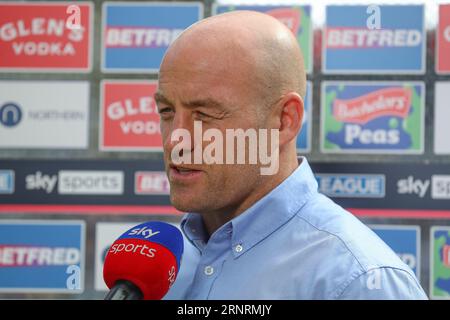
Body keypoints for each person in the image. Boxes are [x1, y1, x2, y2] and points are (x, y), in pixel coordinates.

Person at [156, 11, 427, 299]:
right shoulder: (161, 263)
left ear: (284, 120)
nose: (176, 139)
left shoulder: (360, 281)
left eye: (205, 115)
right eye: (166, 111)